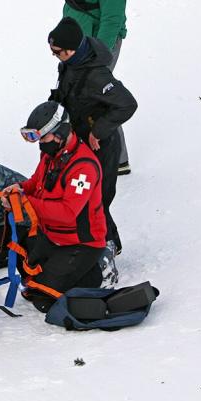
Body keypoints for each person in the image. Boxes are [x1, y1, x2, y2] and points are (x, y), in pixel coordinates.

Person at [5, 101, 108, 312]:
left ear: (60, 132)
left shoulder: (84, 168)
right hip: (51, 235)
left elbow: (68, 213)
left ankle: (97, 270)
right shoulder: (50, 154)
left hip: (80, 243)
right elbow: (36, 182)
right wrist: (19, 189)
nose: (40, 144)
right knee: (21, 262)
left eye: (43, 138)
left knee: (45, 301)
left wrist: (27, 202)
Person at [47, 16, 137, 254]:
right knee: (86, 197)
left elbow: (127, 104)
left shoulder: (97, 76)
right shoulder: (70, 64)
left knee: (99, 198)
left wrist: (99, 130)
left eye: (57, 52)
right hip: (80, 141)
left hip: (102, 146)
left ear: (72, 49)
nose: (54, 56)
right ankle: (97, 239)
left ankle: (109, 244)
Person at [61, 0, 131, 174]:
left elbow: (112, 17)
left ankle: (113, 159)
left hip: (98, 42)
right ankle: (106, 155)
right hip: (77, 37)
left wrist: (98, 55)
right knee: (86, 94)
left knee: (96, 96)